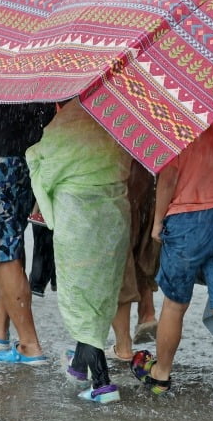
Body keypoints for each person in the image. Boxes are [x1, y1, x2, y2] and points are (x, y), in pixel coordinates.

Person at [131, 97, 213, 411]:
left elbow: (168, 178)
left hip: (185, 221)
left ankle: (161, 373)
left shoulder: (179, 122)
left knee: (175, 306)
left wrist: (158, 220)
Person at [26, 99, 133, 403]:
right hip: (113, 215)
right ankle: (79, 366)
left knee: (79, 292)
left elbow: (43, 162)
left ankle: (102, 383)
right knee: (99, 291)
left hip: (77, 217)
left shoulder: (66, 123)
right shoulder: (116, 115)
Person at [0, 101, 57, 365]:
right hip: (34, 151)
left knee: (3, 248)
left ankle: (29, 345)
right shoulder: (35, 59)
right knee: (14, 239)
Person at [108, 160, 159, 361]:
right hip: (147, 172)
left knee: (119, 259)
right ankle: (147, 309)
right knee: (141, 236)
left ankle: (123, 345)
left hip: (117, 179)